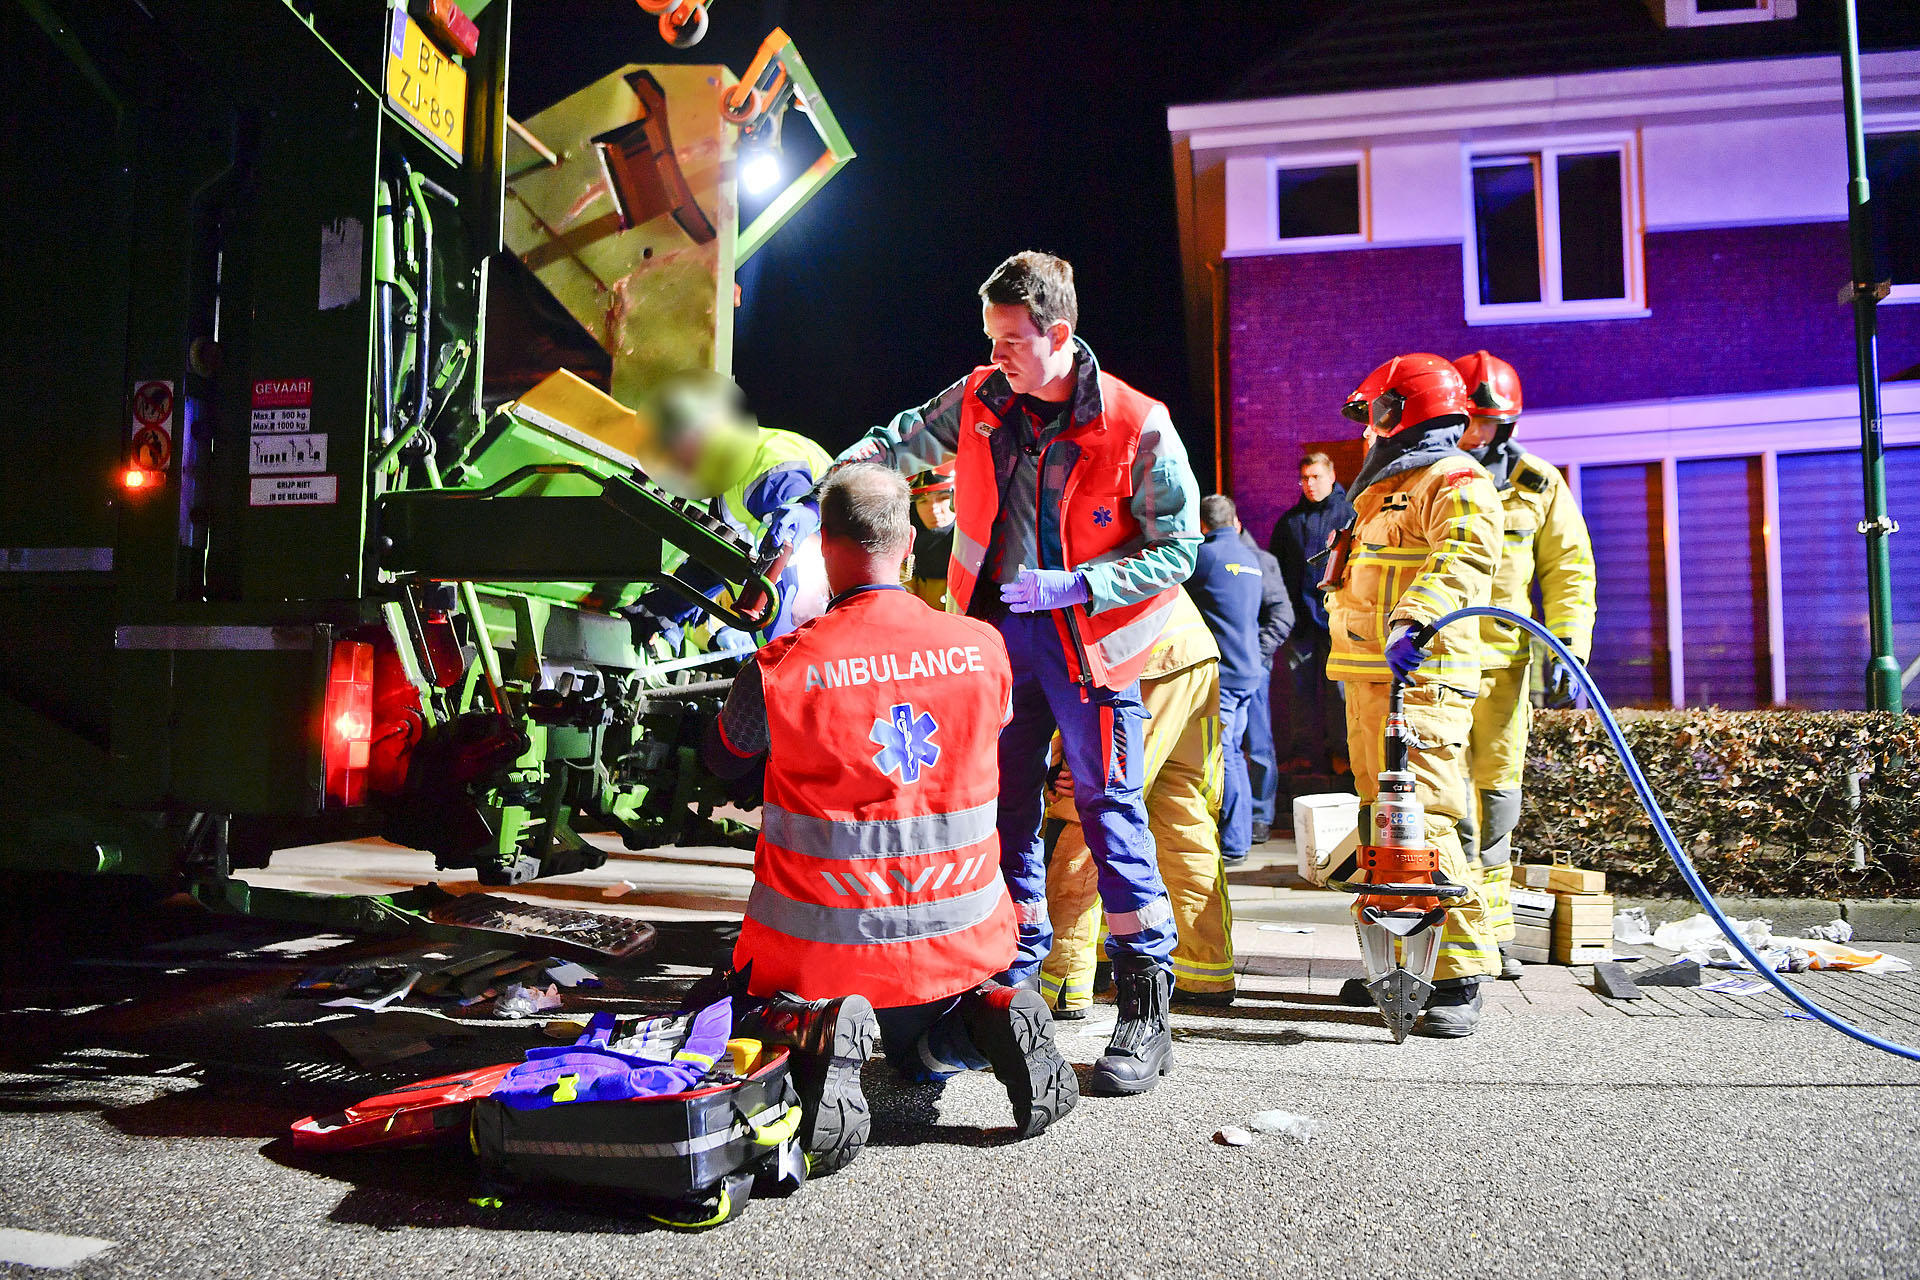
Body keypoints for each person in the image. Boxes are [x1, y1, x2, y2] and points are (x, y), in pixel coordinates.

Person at [812, 250, 1202, 1096]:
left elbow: (1181, 545)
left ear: (1060, 334)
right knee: (1002, 811)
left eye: (1013, 341)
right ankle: (1008, 986)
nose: (998, 357)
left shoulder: (1139, 423)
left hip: (1088, 645)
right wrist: (825, 478)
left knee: (1108, 808)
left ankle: (1145, 1011)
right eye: (991, 339)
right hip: (996, 641)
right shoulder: (983, 396)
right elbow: (897, 440)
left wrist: (1086, 583)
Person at [701, 464, 1077, 1172]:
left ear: (825, 543)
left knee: (734, 1006)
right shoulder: (981, 647)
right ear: (906, 541)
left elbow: (724, 757)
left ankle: (816, 1036)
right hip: (964, 943)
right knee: (927, 1037)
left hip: (821, 957)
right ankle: (984, 1019)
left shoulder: (782, 666)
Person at [1322, 353, 1503, 1037]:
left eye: (1374, 412)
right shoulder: (1388, 488)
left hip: (1419, 678)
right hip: (1372, 679)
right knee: (1383, 822)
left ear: (1400, 410)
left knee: (1424, 818)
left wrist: (1412, 617)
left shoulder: (1455, 478)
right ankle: (1400, 968)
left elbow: (1462, 558)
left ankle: (1458, 977)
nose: (1367, 427)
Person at [1452, 351, 1597, 979]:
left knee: (1498, 793)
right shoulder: (1434, 477)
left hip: (1505, 667)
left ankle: (1494, 930)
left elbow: (1569, 569)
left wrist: (1570, 645)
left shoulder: (1538, 484)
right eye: (1471, 420)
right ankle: (1455, 930)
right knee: (1446, 800)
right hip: (1438, 665)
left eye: (1491, 423)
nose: (1479, 434)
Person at [1040, 587, 1236, 1013]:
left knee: (1087, 807)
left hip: (1132, 655)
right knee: (1181, 810)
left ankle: (1061, 980)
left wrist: (1064, 751)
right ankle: (1203, 969)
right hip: (1186, 643)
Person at [633, 370, 832, 639]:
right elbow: (717, 560)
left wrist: (776, 646)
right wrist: (662, 610)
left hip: (824, 578)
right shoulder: (730, 472)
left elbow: (788, 563)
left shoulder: (771, 470)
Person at [1186, 495, 1269, 867]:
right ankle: (1240, 834)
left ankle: (1234, 841)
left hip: (1226, 673)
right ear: (1234, 521)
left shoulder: (1205, 558)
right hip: (1250, 669)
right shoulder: (1251, 558)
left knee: (1227, 755)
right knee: (1235, 750)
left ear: (1203, 525)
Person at [1271, 452, 1356, 775]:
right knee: (1300, 694)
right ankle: (1304, 756)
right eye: (1304, 478)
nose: (1310, 485)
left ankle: (1343, 757)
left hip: (1338, 622)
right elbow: (1278, 572)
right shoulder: (1290, 522)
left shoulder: (1349, 514)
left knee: (1340, 694)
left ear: (1331, 477)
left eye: (1316, 477)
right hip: (1302, 624)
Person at [1238, 524, 1292, 844]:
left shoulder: (1259, 559)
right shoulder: (1209, 555)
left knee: (1257, 744)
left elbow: (1282, 615)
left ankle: (1260, 815)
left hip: (1252, 666)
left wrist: (1256, 654)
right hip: (1224, 665)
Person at [906, 465, 957, 610]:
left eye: (942, 498)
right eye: (922, 501)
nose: (933, 509)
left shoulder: (981, 547)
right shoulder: (902, 548)